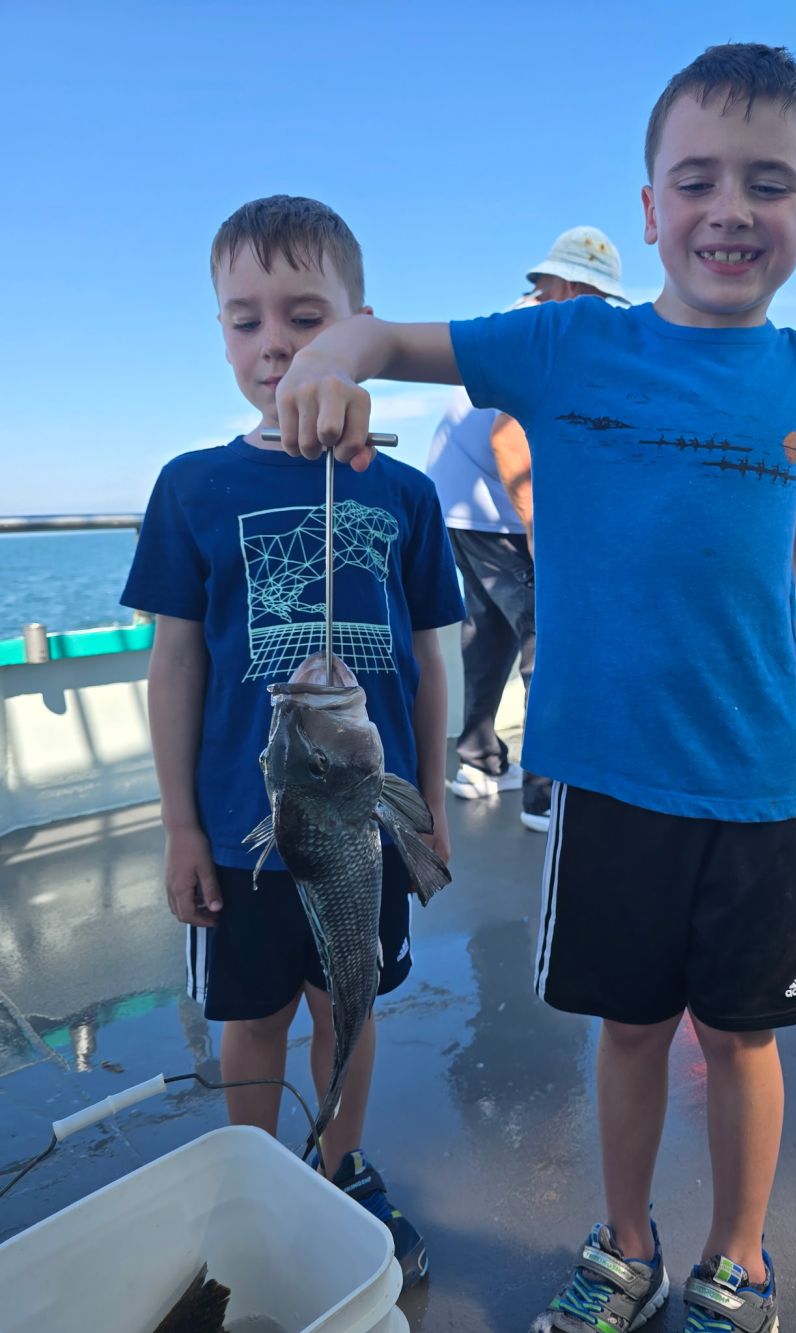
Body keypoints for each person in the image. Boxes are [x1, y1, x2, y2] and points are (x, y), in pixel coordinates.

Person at [267, 43, 796, 1333]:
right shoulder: (564, 344)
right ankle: (624, 1246)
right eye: (694, 180)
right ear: (648, 209)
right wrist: (322, 360)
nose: (729, 209)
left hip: (753, 769)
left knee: (742, 1037)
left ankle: (737, 1263)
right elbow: (383, 333)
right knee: (628, 1030)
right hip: (608, 771)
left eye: (767, 183)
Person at [120, 195, 464, 1292]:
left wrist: (437, 810)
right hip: (246, 827)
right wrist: (181, 824)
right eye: (244, 320)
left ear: (356, 322)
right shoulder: (192, 485)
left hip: (368, 820)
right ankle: (256, 1172)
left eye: (304, 316)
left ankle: (338, 1162)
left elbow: (431, 659)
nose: (273, 343)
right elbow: (176, 661)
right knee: (252, 1016)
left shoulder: (405, 490)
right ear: (221, 332)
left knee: (349, 1002)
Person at [426, 227, 628, 833]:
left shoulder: (517, 324)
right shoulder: (541, 338)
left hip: (459, 504)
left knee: (488, 633)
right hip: (495, 511)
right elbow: (510, 438)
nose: (600, 314)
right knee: (550, 635)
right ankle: (545, 795)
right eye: (596, 298)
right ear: (565, 287)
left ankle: (480, 762)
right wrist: (544, 530)